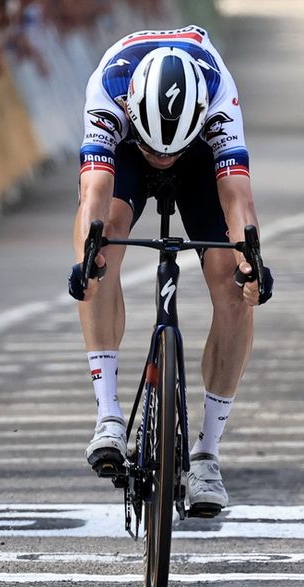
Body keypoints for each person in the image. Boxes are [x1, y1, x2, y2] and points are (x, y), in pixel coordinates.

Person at [68, 25, 272, 517]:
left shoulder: (218, 93)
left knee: (233, 283)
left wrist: (252, 264)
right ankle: (109, 414)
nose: (164, 161)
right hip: (126, 149)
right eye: (158, 149)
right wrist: (85, 260)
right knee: (103, 241)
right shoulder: (111, 89)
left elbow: (238, 199)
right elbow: (93, 192)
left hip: (200, 157)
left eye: (170, 151)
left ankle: (207, 455)